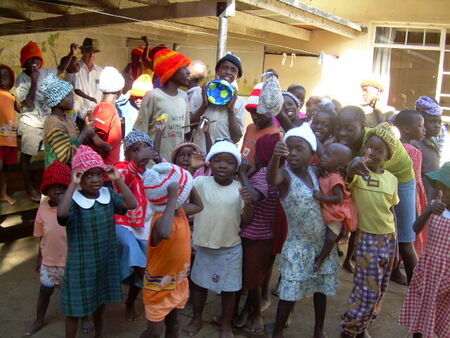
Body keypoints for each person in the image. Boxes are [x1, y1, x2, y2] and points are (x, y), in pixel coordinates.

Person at [57, 145, 137, 338]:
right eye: (88, 175)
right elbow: (61, 214)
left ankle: (99, 334)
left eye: (99, 174)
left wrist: (117, 179)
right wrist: (72, 185)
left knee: (100, 304)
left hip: (103, 263)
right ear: (79, 177)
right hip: (81, 266)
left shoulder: (107, 196)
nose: (95, 180)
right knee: (74, 310)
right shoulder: (74, 201)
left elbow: (132, 204)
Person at [267, 124, 339, 338]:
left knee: (320, 289)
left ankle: (319, 328)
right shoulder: (285, 176)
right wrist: (275, 158)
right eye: (290, 148)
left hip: (321, 245)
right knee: (289, 291)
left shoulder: (317, 172)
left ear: (312, 154)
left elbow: (333, 160)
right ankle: (277, 331)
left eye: (300, 148)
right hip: (298, 245)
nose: (294, 153)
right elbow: (272, 179)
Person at [336, 107, 417, 285]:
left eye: (349, 129)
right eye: (339, 128)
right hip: (378, 177)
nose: (343, 133)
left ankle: (417, 290)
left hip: (402, 178)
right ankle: (358, 263)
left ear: (362, 127)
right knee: (361, 226)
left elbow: (373, 164)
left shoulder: (373, 144)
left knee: (404, 240)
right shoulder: (347, 142)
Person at [183, 139, 253, 338]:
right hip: (203, 246)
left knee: (229, 290)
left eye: (229, 162)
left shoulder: (240, 188)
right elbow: (182, 187)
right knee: (198, 285)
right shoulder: (200, 182)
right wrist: (190, 168)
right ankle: (197, 318)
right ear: (209, 164)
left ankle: (225, 325)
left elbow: (246, 222)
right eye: (217, 160)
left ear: (236, 168)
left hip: (229, 248)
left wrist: (249, 205)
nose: (223, 165)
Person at [340, 130, 399, 338]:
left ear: (388, 156)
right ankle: (350, 328)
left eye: (379, 150)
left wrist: (396, 245)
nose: (372, 153)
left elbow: (391, 210)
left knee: (380, 288)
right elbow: (345, 184)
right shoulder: (358, 173)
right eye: (369, 148)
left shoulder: (392, 180)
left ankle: (363, 325)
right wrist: (350, 170)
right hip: (367, 239)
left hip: (390, 238)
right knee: (366, 289)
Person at [25, 160, 91, 336]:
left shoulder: (74, 208)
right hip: (49, 263)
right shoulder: (42, 211)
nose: (58, 190)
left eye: (62, 186)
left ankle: (85, 318)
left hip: (72, 263)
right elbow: (41, 238)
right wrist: (39, 259)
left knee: (78, 294)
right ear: (46, 190)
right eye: (53, 187)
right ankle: (39, 320)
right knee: (45, 291)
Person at [140, 163, 203, 338]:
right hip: (157, 287)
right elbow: (166, 233)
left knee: (174, 324)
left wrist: (189, 181)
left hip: (178, 282)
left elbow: (199, 206)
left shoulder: (180, 212)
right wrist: (173, 198)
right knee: (154, 332)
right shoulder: (160, 220)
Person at [398, 162, 450, 338]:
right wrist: (427, 211)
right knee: (423, 306)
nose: (440, 193)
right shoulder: (434, 208)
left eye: (445, 189)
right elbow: (415, 228)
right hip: (428, 269)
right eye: (438, 187)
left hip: (446, 272)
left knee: (442, 309)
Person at [237, 133, 281, 334]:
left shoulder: (263, 174)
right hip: (258, 234)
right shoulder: (270, 171)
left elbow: (254, 196)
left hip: (257, 236)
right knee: (248, 277)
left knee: (252, 280)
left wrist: (243, 174)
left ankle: (256, 315)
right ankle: (245, 312)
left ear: (264, 154)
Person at [113, 130, 158, 322]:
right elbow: (123, 180)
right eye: (135, 150)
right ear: (127, 154)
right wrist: (135, 162)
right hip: (124, 223)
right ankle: (153, 281)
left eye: (144, 150)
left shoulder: (152, 174)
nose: (140, 155)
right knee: (132, 251)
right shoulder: (121, 168)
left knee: (139, 275)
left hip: (145, 227)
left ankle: (131, 302)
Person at [15, 41, 58, 201]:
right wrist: (34, 81)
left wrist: (71, 54)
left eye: (37, 59)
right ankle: (29, 188)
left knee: (52, 154)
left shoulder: (45, 72)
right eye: (30, 60)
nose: (34, 63)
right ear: (24, 62)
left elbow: (61, 69)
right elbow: (29, 103)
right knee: (27, 156)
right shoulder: (22, 79)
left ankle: (49, 185)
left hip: (45, 121)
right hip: (30, 122)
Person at [133, 49, 191, 161]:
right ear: (171, 71)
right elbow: (139, 132)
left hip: (175, 164)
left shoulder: (183, 96)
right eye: (183, 67)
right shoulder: (153, 96)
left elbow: (184, 133)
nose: (188, 72)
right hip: (154, 165)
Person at [313, 143, 357, 271]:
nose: (323, 156)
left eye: (328, 155)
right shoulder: (325, 173)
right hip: (326, 211)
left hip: (335, 215)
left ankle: (320, 259)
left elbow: (339, 198)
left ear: (339, 165)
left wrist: (321, 197)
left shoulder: (336, 179)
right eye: (324, 153)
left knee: (330, 238)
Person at [190, 52, 246, 143]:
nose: (228, 72)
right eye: (225, 68)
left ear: (237, 76)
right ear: (217, 71)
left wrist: (231, 110)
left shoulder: (240, 102)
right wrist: (204, 106)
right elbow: (189, 127)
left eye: (233, 70)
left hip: (223, 154)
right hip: (200, 151)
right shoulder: (200, 92)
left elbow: (236, 138)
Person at [393, 109, 428, 256]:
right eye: (420, 126)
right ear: (406, 129)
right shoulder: (411, 151)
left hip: (398, 193)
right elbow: (411, 180)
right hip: (410, 194)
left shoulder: (397, 146)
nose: (424, 129)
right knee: (408, 234)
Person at [41, 74, 94, 168]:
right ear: (58, 99)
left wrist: (87, 128)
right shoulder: (53, 124)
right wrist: (84, 134)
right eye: (69, 95)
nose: (73, 98)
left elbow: (77, 144)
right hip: (57, 176)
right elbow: (65, 156)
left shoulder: (68, 118)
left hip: (70, 173)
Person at [91, 67, 125, 170]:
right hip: (104, 173)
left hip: (107, 171)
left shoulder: (105, 107)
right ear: (120, 91)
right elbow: (97, 140)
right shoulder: (106, 108)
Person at [241, 80, 280, 167]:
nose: (254, 117)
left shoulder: (275, 136)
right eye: (251, 112)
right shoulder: (250, 128)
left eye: (258, 112)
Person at [415, 96, 443, 202]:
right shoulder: (416, 145)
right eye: (432, 122)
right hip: (420, 196)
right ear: (421, 121)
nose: (437, 126)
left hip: (431, 194)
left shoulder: (433, 142)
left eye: (439, 122)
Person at [0, 64, 19, 205]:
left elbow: (21, 108)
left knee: (6, 169)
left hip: (11, 139)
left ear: (11, 80)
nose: (2, 78)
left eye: (5, 76)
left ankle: (3, 194)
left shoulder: (12, 96)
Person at [74, 38, 103, 119]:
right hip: (78, 118)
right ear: (82, 52)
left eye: (94, 52)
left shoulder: (101, 71)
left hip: (97, 117)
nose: (91, 55)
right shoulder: (74, 69)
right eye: (88, 52)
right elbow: (75, 92)